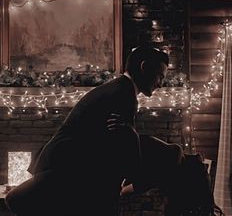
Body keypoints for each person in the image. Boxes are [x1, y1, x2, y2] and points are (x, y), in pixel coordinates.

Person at [4, 46, 169, 216]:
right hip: (67, 172)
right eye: (160, 76)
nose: (161, 84)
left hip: (67, 169)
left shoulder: (118, 89)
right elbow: (124, 150)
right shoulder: (123, 94)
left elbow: (114, 145)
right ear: (144, 67)